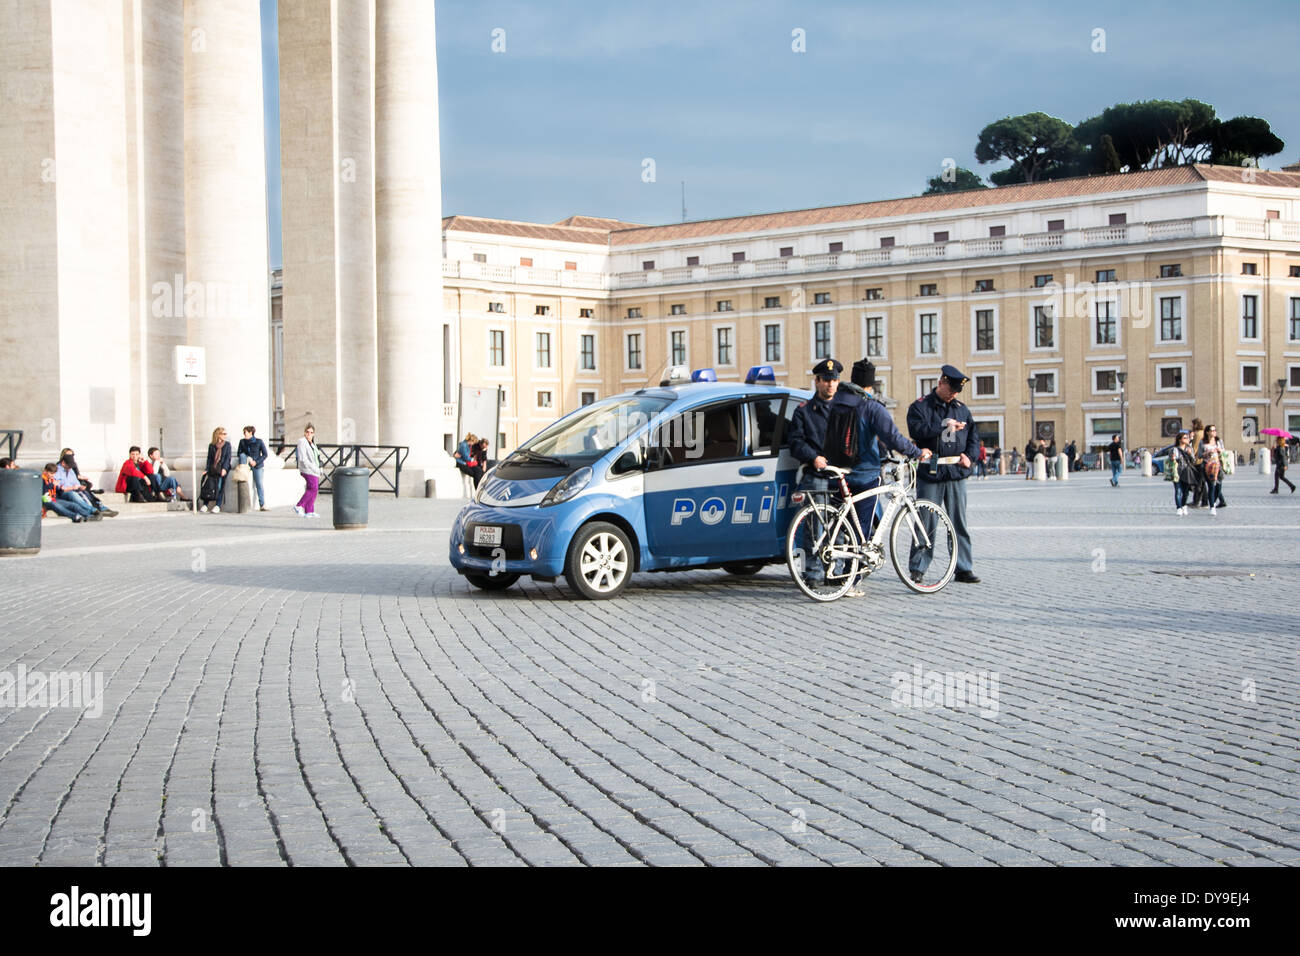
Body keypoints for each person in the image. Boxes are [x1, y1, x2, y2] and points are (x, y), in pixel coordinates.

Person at [823, 358, 931, 595]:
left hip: (836, 472)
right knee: (861, 530)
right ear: (871, 384)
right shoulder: (871, 406)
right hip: (864, 474)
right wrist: (916, 452)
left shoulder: (834, 402)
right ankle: (850, 582)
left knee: (840, 526)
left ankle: (831, 571)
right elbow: (892, 437)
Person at [907, 364, 980, 584]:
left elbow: (974, 436)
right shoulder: (920, 407)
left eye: (957, 392)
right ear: (941, 383)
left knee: (958, 522)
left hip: (956, 472)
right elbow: (916, 431)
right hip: (931, 472)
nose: (953, 395)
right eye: (951, 390)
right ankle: (918, 566)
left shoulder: (961, 408)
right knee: (925, 522)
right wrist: (942, 425)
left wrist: (970, 456)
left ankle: (963, 567)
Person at [787, 358, 841, 586]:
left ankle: (837, 571)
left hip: (840, 475)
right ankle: (814, 572)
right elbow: (795, 442)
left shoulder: (845, 409)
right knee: (813, 528)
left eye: (834, 380)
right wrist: (813, 457)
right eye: (826, 380)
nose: (830, 385)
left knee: (839, 526)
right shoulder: (804, 411)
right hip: (816, 475)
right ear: (817, 381)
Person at [54, 449, 116, 517]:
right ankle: (93, 510)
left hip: (74, 489)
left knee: (85, 491)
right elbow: (60, 488)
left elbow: (75, 482)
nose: (70, 468)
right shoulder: (57, 470)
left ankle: (100, 507)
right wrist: (72, 488)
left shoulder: (70, 469)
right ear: (63, 463)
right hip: (63, 493)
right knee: (72, 494)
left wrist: (79, 486)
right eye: (69, 466)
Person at [236, 425, 270, 511]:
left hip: (257, 465)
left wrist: (256, 462)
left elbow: (265, 454)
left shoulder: (259, 441)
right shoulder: (242, 442)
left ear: (251, 432)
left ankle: (262, 504)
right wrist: (248, 458)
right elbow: (239, 453)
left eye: (245, 432)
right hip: (247, 464)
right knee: (242, 456)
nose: (244, 434)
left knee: (259, 484)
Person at [200, 427, 231, 513]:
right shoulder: (212, 445)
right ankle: (205, 505)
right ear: (218, 435)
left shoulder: (227, 445)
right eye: (224, 434)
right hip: (212, 469)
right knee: (209, 486)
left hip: (221, 469)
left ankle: (218, 505)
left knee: (220, 486)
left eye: (226, 434)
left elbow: (227, 458)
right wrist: (206, 469)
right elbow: (209, 459)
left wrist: (224, 468)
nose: (225, 435)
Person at [294, 423, 322, 518]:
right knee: (312, 488)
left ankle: (309, 510)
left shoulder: (313, 443)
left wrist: (319, 468)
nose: (309, 434)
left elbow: (317, 457)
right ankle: (299, 505)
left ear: (314, 433)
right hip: (307, 469)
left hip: (315, 469)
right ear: (304, 433)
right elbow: (303, 458)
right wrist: (313, 468)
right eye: (307, 432)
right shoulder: (302, 441)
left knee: (314, 490)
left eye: (311, 432)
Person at [1198, 424, 1226, 515]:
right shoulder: (1202, 442)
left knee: (1218, 487)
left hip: (1218, 465)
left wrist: (1220, 450)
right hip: (1208, 466)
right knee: (1211, 486)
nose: (1214, 432)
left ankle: (1213, 501)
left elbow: (1223, 451)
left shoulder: (1218, 440)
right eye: (1212, 430)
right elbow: (1199, 455)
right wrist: (1206, 453)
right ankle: (1212, 507)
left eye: (1215, 430)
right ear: (1207, 432)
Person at [1170, 432, 1196, 515]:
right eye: (1185, 438)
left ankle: (1184, 505)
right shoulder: (1174, 449)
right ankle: (1179, 508)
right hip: (1177, 472)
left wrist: (1189, 455)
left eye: (1187, 438)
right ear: (1179, 440)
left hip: (1186, 471)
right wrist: (1172, 458)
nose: (1187, 439)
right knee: (1178, 490)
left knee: (1186, 491)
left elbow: (1193, 461)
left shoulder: (1189, 449)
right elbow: (1170, 461)